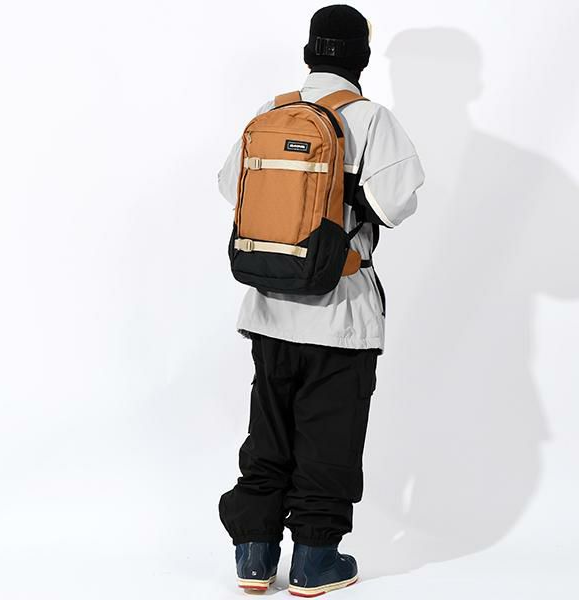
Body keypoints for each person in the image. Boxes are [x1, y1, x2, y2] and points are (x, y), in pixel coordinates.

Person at [217, 4, 425, 596]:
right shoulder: (372, 119)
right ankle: (314, 560)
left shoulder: (271, 111)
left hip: (267, 308)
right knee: (329, 439)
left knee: (268, 433)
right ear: (363, 57)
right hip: (340, 314)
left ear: (309, 53)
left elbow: (230, 188)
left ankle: (254, 556)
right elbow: (396, 205)